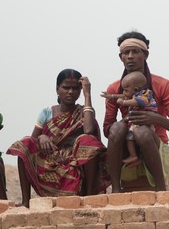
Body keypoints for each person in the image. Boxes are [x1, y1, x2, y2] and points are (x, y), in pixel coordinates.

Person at [7, 69, 108, 207]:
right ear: (57, 89)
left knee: (88, 141)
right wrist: (42, 136)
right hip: (50, 160)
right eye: (66, 87)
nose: (71, 92)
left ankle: (89, 197)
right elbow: (32, 141)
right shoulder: (46, 112)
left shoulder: (84, 111)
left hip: (74, 161)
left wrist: (87, 94)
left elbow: (89, 130)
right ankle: (26, 201)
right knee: (24, 144)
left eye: (75, 88)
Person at [103, 31, 169, 192]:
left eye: (135, 52)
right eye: (126, 53)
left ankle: (161, 189)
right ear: (121, 58)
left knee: (142, 132)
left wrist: (153, 118)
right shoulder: (114, 88)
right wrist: (125, 123)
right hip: (127, 143)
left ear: (145, 55)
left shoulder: (162, 84)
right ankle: (116, 190)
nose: (130, 56)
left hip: (155, 144)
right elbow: (107, 130)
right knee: (118, 128)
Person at [101, 71, 157, 166]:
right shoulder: (135, 93)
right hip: (138, 122)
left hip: (143, 122)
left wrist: (123, 103)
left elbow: (138, 102)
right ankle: (135, 155)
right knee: (132, 138)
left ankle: (135, 155)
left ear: (135, 89)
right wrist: (111, 96)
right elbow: (123, 95)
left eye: (126, 90)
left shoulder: (145, 95)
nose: (124, 92)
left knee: (131, 137)